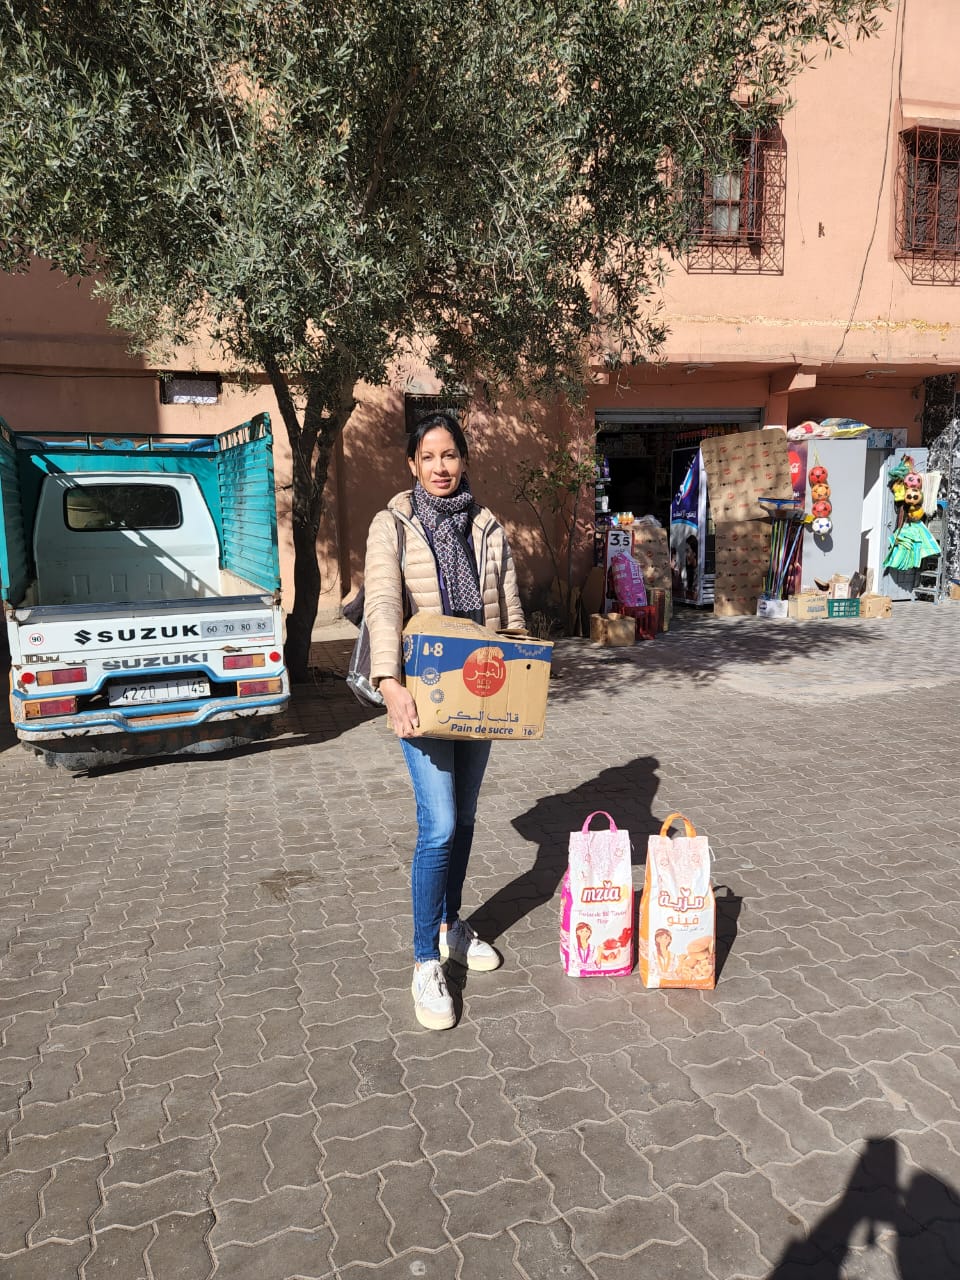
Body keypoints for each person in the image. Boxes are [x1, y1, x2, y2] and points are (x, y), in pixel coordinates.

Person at [362, 412, 525, 1030]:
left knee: (466, 821)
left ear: (464, 460)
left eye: (450, 455)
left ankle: (452, 924)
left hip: (481, 690)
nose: (441, 467)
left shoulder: (487, 526)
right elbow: (382, 605)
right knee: (440, 824)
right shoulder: (392, 525)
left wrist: (524, 680)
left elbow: (507, 610)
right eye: (428, 456)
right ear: (412, 463)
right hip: (423, 692)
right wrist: (389, 685)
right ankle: (425, 958)